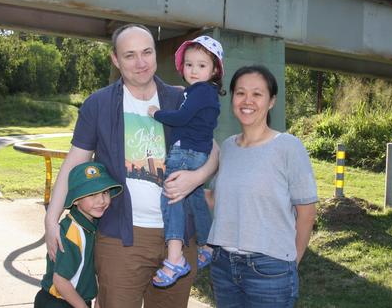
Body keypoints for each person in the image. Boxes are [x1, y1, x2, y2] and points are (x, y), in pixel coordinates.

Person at [44, 24, 219, 308]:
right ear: (115, 59)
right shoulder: (98, 105)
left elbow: (213, 150)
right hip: (120, 238)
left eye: (147, 52)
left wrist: (196, 177)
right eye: (130, 55)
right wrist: (51, 218)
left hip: (178, 239)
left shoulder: (179, 99)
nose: (141, 63)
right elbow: (75, 161)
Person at [207, 65, 318, 308]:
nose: (247, 101)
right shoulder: (227, 147)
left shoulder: (288, 146)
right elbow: (217, 199)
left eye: (257, 94)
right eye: (240, 93)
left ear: (271, 101)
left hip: (270, 269)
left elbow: (307, 213)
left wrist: (291, 263)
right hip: (224, 266)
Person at [147, 36, 225, 287]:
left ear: (214, 70)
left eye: (202, 66)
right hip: (197, 153)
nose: (194, 70)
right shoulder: (203, 92)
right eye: (189, 65)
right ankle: (208, 244)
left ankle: (175, 257)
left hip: (185, 153)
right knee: (195, 197)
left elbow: (182, 117)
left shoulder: (201, 92)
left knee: (172, 198)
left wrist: (156, 113)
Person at [35, 161, 123, 308]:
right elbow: (60, 281)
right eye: (92, 194)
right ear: (76, 200)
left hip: (76, 300)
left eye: (105, 192)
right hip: (57, 303)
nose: (101, 200)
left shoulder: (91, 226)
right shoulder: (72, 232)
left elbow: (90, 267)